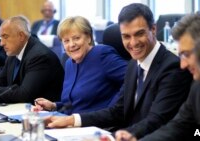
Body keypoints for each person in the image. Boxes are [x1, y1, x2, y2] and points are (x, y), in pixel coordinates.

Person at [43, 3, 192, 139]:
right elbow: (118, 111)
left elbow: (157, 120)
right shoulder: (134, 65)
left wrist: (122, 135)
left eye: (139, 34)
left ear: (153, 29)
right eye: (126, 36)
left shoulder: (173, 68)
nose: (133, 43)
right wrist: (72, 120)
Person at [115, 11, 200, 141]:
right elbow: (178, 127)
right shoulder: (198, 88)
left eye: (187, 55)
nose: (182, 65)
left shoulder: (173, 69)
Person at [33, 16, 127, 115]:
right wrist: (53, 106)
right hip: (71, 124)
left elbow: (133, 78)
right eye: (66, 41)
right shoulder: (69, 63)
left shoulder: (101, 54)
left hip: (96, 125)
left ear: (89, 38)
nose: (71, 44)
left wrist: (113, 108)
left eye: (76, 38)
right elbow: (75, 103)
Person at [0, 15, 64, 103]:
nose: (1, 43)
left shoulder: (40, 57)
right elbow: (0, 81)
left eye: (5, 37)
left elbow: (24, 94)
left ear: (21, 36)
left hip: (41, 116)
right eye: (0, 37)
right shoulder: (14, 52)